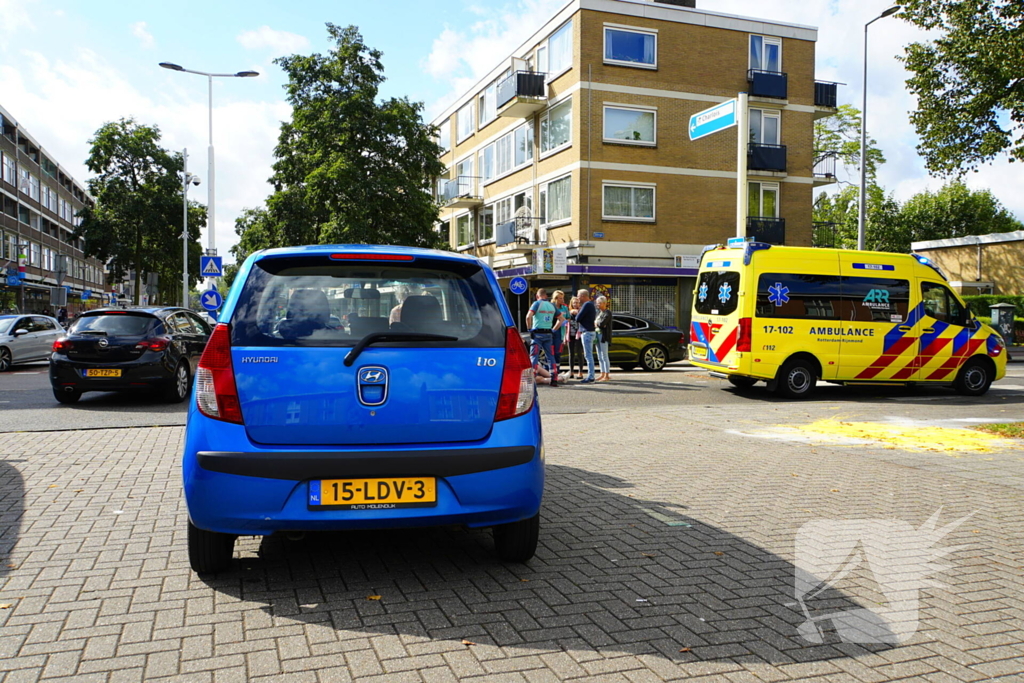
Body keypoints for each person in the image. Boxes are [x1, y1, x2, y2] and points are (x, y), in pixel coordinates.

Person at [525, 288, 563, 387]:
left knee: (534, 356)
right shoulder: (552, 305)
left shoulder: (536, 304)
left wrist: (529, 329)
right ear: (546, 296)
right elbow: (561, 319)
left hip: (537, 334)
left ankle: (531, 379)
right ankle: (554, 378)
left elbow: (528, 316)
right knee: (550, 357)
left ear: (538, 296)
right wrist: (553, 330)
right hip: (548, 334)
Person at [575, 288, 597, 383]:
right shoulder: (591, 304)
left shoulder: (586, 305)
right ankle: (591, 375)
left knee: (588, 355)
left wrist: (577, 312)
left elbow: (577, 318)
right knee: (589, 355)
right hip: (590, 332)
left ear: (583, 296)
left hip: (587, 332)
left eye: (578, 296)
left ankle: (591, 376)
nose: (577, 298)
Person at [551, 290, 570, 379]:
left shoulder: (564, 308)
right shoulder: (550, 306)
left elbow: (568, 319)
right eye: (560, 298)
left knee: (558, 352)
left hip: (560, 332)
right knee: (550, 352)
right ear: (555, 299)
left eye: (563, 298)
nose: (562, 300)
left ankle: (557, 371)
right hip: (550, 331)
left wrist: (565, 323)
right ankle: (551, 371)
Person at [595, 296, 613, 382]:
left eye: (599, 303)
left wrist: (597, 323)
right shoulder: (598, 312)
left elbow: (602, 323)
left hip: (604, 336)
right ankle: (602, 373)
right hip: (597, 335)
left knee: (604, 355)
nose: (597, 304)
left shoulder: (607, 313)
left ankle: (607, 375)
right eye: (597, 302)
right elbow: (596, 322)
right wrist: (597, 323)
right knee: (599, 355)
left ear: (604, 303)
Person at [566, 296, 583, 379]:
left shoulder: (581, 311)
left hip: (579, 335)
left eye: (577, 302)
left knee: (579, 353)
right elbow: (565, 323)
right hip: (570, 335)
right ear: (571, 304)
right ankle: (571, 372)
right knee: (571, 354)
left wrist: (578, 313)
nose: (575, 304)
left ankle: (580, 372)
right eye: (574, 303)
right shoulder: (568, 312)